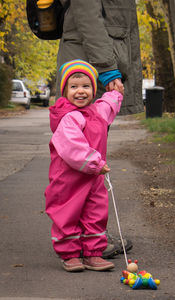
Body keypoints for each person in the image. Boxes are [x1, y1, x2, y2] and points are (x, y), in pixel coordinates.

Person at [55, 0, 143, 258]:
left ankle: (89, 235)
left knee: (89, 161)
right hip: (88, 68)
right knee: (81, 165)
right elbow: (87, 15)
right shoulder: (94, 75)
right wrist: (107, 68)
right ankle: (83, 239)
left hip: (92, 63)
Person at [45, 59, 124, 272]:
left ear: (93, 90)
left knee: (95, 212)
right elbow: (73, 147)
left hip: (93, 177)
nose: (80, 92)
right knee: (67, 212)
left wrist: (115, 93)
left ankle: (93, 253)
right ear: (64, 91)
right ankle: (70, 254)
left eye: (86, 86)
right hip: (68, 179)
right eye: (74, 87)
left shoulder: (96, 111)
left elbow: (109, 105)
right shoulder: (69, 118)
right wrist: (96, 163)